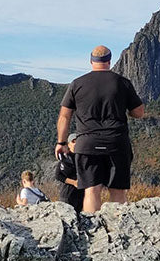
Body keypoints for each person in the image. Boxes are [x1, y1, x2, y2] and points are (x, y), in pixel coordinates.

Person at [55, 45, 145, 214]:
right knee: (118, 191)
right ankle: (119, 230)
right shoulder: (122, 83)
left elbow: (64, 116)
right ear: (109, 61)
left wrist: (61, 142)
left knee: (91, 190)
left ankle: (93, 232)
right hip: (116, 143)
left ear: (91, 61)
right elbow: (139, 112)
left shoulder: (77, 84)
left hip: (87, 144)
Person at [54, 135, 85, 212]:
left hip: (80, 195)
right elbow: (58, 175)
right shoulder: (65, 158)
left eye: (77, 141)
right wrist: (73, 182)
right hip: (67, 195)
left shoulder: (83, 158)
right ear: (68, 144)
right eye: (73, 141)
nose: (75, 143)